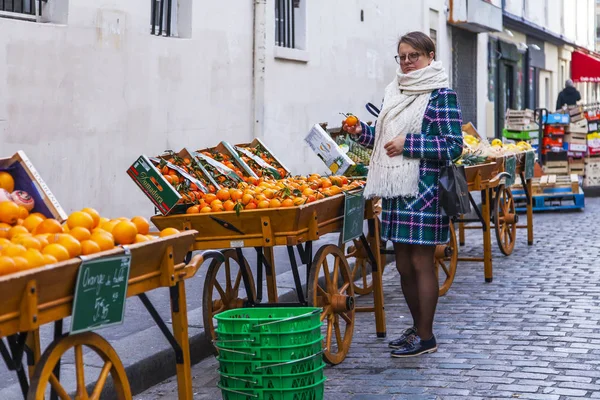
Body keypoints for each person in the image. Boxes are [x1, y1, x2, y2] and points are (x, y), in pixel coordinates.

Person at [343, 31, 463, 358]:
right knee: (404, 266)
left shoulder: (441, 95)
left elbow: (453, 146)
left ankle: (426, 336)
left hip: (424, 190)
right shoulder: (394, 92)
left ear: (430, 56)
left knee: (421, 263)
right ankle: (417, 327)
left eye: (414, 56)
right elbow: (385, 139)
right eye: (403, 57)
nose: (408, 63)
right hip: (397, 190)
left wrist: (409, 144)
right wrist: (361, 133)